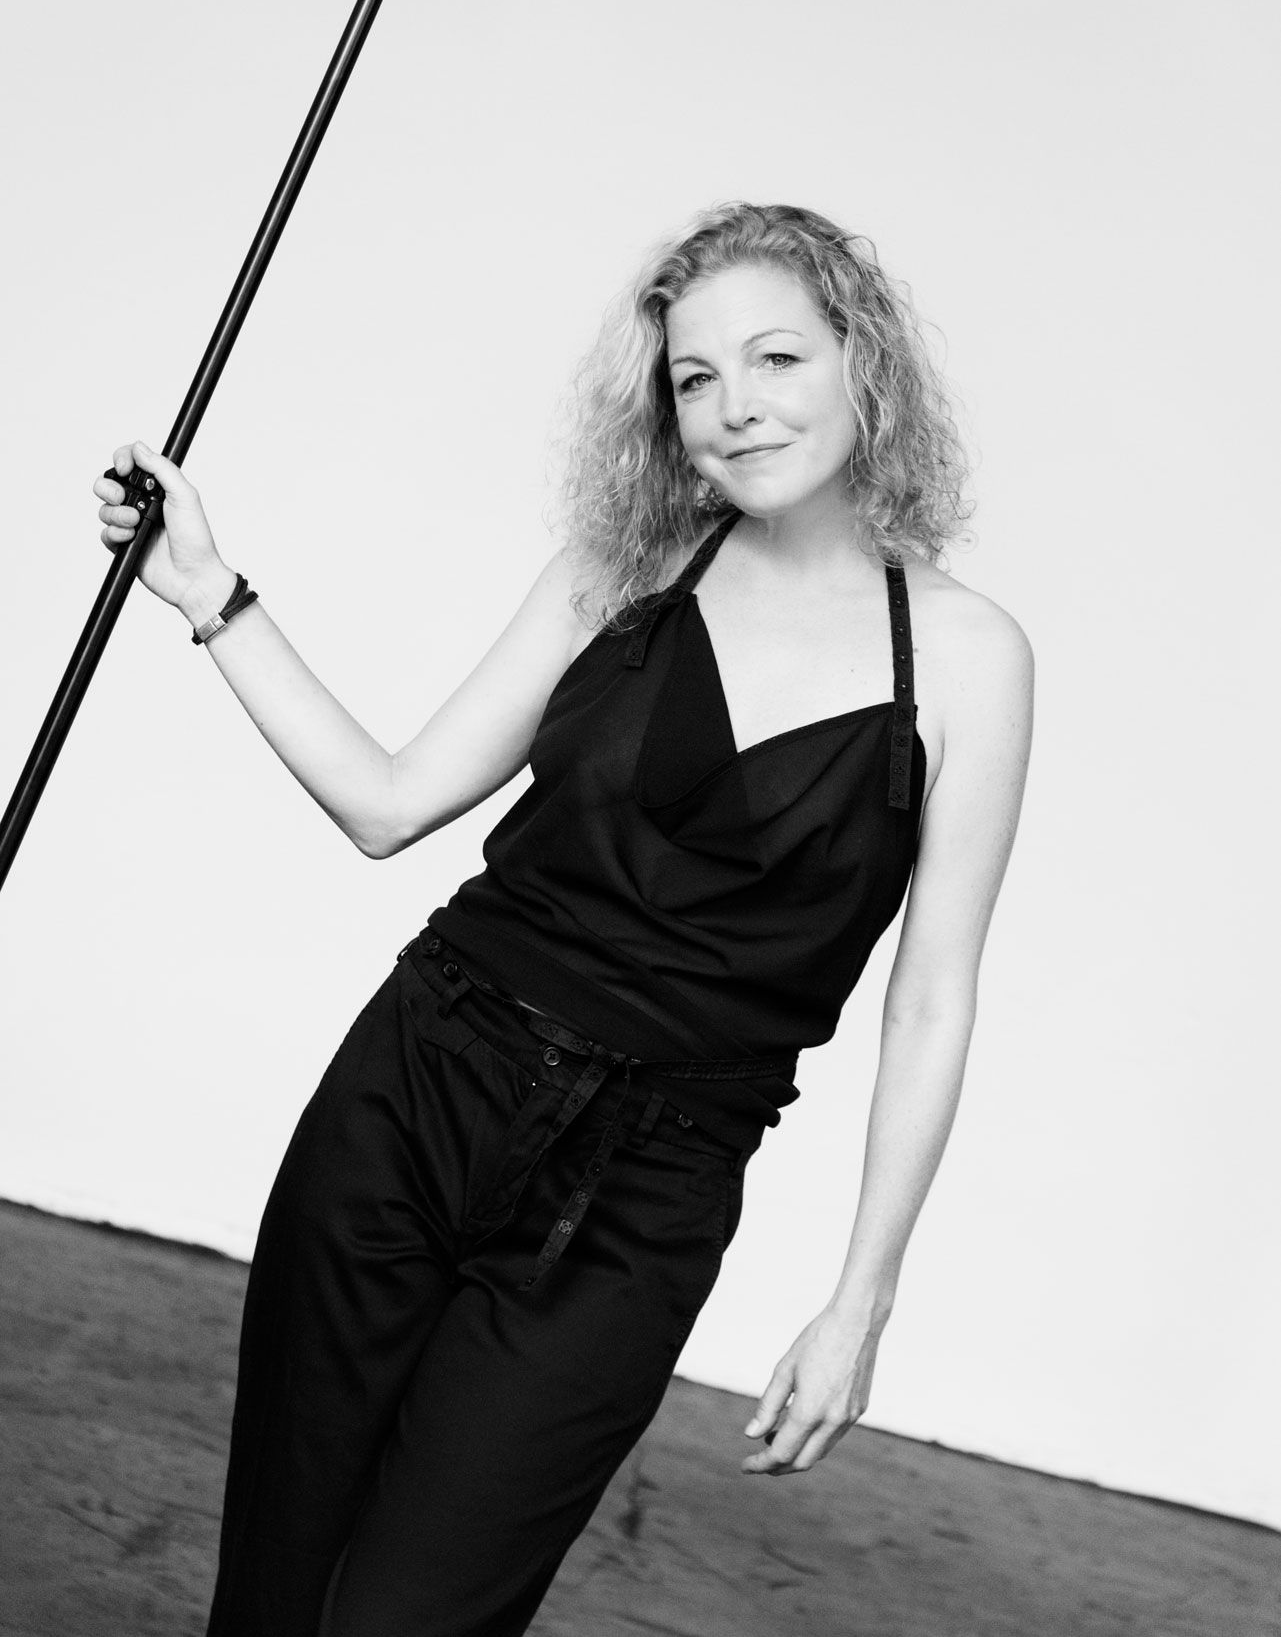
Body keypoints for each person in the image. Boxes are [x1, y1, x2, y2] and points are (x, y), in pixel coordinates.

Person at [93, 200, 1034, 1637]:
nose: (735, 406)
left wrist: (862, 1298)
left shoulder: (966, 658)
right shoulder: (624, 571)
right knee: (275, 1591)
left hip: (642, 1191)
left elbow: (930, 998)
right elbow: (387, 805)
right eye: (694, 378)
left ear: (866, 365)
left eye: (776, 358)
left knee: (411, 1618)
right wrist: (212, 595)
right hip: (416, 1090)